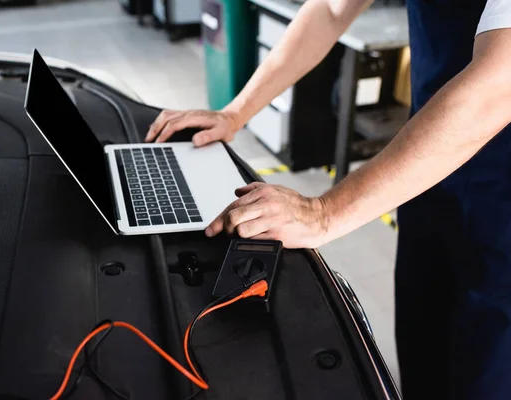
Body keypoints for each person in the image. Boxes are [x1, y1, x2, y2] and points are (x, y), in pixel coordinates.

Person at [145, 0, 511, 398]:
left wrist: (323, 214)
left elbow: (496, 86)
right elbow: (331, 10)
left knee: (484, 371)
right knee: (423, 352)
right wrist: (236, 113)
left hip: (502, 210)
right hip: (427, 182)